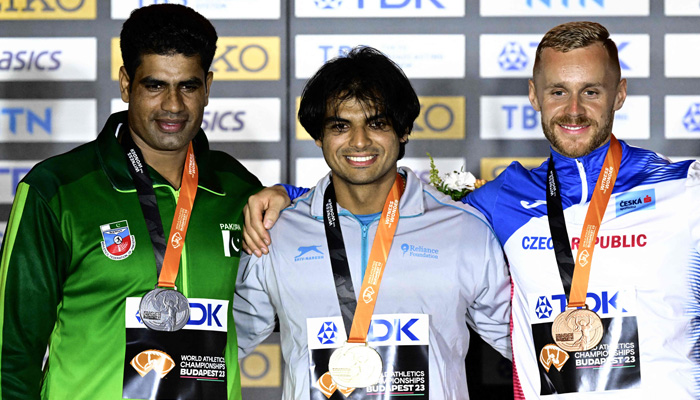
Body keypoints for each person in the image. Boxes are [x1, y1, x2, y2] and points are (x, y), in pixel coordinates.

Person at [243, 22, 700, 399]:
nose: (574, 110)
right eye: (558, 91)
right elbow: (363, 192)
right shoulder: (496, 202)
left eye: (592, 92)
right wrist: (288, 198)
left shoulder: (686, 188)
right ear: (534, 96)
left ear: (619, 94)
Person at [0, 4, 260, 399]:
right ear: (126, 84)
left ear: (208, 86)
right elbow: (11, 353)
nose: (173, 105)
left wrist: (285, 196)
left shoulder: (238, 189)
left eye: (188, 86)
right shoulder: (57, 189)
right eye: (155, 85)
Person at [233, 46, 511, 400]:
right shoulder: (276, 233)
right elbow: (226, 341)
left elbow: (520, 341)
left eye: (377, 123)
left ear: (404, 130)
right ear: (319, 137)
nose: (360, 141)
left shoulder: (463, 229)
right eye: (340, 126)